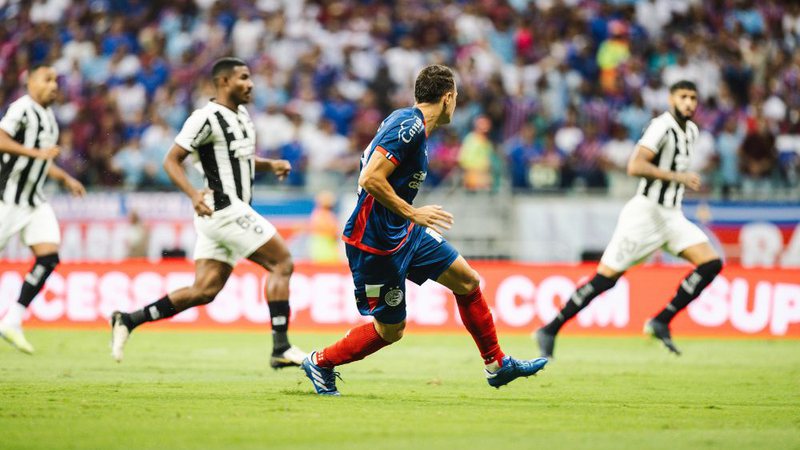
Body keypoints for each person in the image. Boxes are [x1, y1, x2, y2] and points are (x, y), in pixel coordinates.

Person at [301, 65, 547, 396]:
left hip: (403, 230)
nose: (456, 104)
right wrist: (412, 212)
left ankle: (496, 364)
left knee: (467, 280)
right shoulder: (409, 125)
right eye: (456, 98)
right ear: (447, 98)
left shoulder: (411, 125)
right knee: (390, 330)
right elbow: (370, 178)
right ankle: (320, 362)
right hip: (375, 242)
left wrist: (408, 217)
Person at [109, 58, 305, 369]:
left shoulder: (242, 117)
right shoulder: (205, 118)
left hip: (223, 214)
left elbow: (239, 158)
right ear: (224, 82)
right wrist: (191, 195)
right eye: (243, 77)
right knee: (282, 262)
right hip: (223, 208)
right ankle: (280, 347)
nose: (251, 83)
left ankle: (128, 319)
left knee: (205, 290)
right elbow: (171, 160)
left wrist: (270, 164)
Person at [536, 80, 723, 358]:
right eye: (683, 97)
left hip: (672, 215)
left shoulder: (692, 131)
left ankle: (661, 320)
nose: (689, 103)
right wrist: (677, 177)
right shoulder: (662, 126)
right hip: (645, 214)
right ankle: (550, 328)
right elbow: (635, 165)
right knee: (606, 279)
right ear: (671, 99)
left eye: (693, 98)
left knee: (711, 263)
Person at [0, 64, 86, 353]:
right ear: (31, 82)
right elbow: (1, 139)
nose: (54, 86)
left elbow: (42, 161)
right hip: (6, 199)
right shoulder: (21, 109)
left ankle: (12, 321)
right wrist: (36, 152)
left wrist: (66, 178)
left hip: (33, 201)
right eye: (47, 80)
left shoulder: (49, 118)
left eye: (56, 81)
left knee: (49, 258)